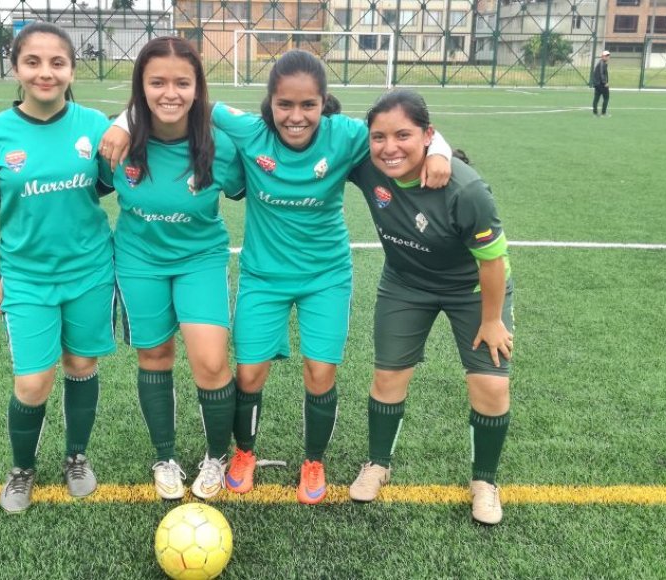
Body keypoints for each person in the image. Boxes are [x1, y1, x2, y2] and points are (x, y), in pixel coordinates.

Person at [100, 50, 452, 505]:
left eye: (308, 105)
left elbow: (398, 133)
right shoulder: (249, 132)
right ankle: (242, 453)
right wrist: (124, 123)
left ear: (324, 103)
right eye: (285, 104)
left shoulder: (345, 136)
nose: (296, 116)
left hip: (325, 274)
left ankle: (313, 460)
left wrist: (439, 150)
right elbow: (191, 103)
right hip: (263, 276)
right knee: (248, 373)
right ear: (269, 104)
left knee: (320, 369)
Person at [345, 90, 514, 526]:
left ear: (428, 135)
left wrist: (492, 320)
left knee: (491, 387)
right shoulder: (366, 166)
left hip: (472, 290)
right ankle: (378, 464)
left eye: (404, 135)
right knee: (387, 376)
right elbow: (320, 133)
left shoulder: (466, 189)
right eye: (379, 136)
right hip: (405, 284)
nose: (389, 147)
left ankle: (484, 481)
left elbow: (493, 262)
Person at [0, 21, 116, 514]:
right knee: (33, 381)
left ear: (72, 69)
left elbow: (110, 180)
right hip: (26, 276)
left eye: (57, 62)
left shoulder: (95, 125)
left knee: (80, 364)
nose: (45, 73)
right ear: (16, 68)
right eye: (33, 62)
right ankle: (22, 467)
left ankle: (76, 456)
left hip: (90, 269)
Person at [109, 37, 246, 501]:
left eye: (182, 82)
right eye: (158, 82)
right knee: (155, 357)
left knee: (210, 363)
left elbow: (273, 162)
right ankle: (164, 457)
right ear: (140, 86)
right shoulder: (115, 143)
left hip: (199, 261)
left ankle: (215, 456)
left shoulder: (222, 146)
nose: (170, 93)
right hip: (138, 261)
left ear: (197, 87)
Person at [591, 50, 610, 117]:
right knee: (606, 98)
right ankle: (603, 113)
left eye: (608, 56)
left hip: (597, 84)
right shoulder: (602, 64)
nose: (607, 57)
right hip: (601, 84)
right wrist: (605, 82)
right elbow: (602, 74)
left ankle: (595, 113)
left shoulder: (600, 63)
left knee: (596, 98)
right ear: (603, 56)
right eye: (606, 56)